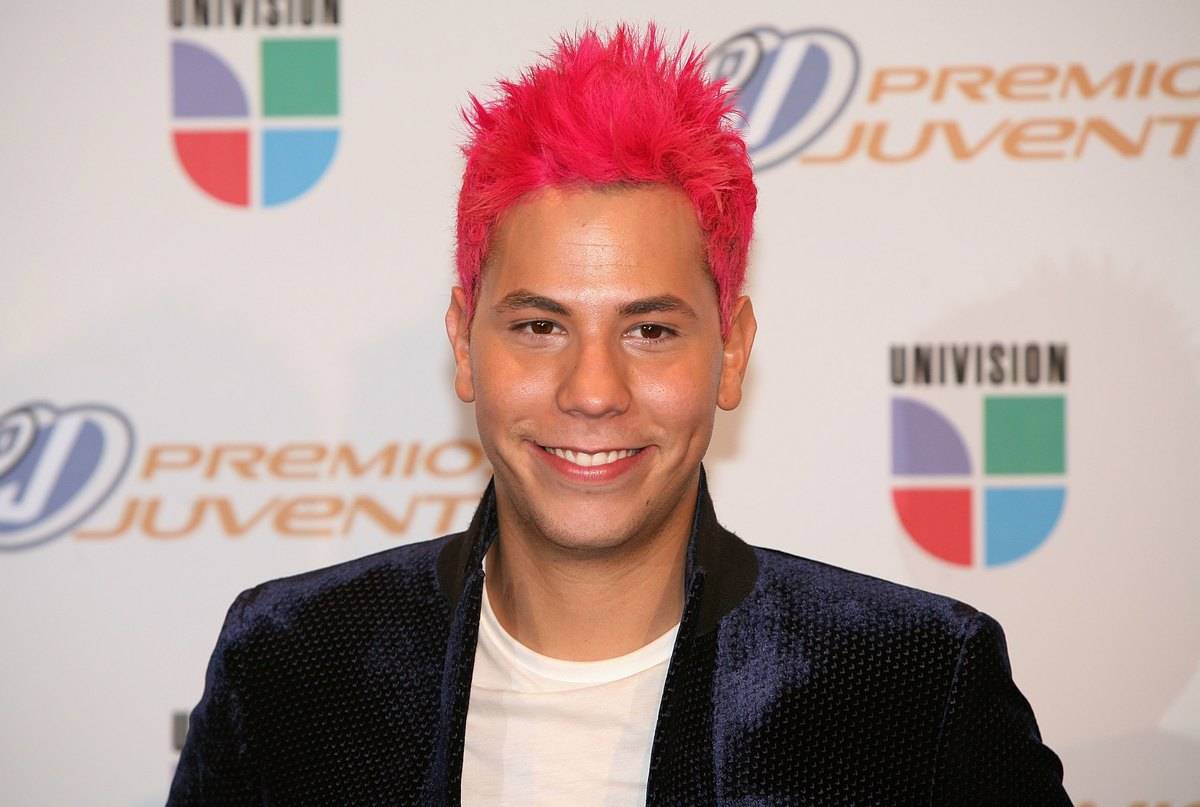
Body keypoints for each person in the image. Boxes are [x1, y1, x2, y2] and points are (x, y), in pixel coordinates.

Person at [168, 23, 1071, 806]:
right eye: (538, 324)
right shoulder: (291, 667)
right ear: (462, 342)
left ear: (731, 351)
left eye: (647, 329)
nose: (592, 389)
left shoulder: (913, 686)